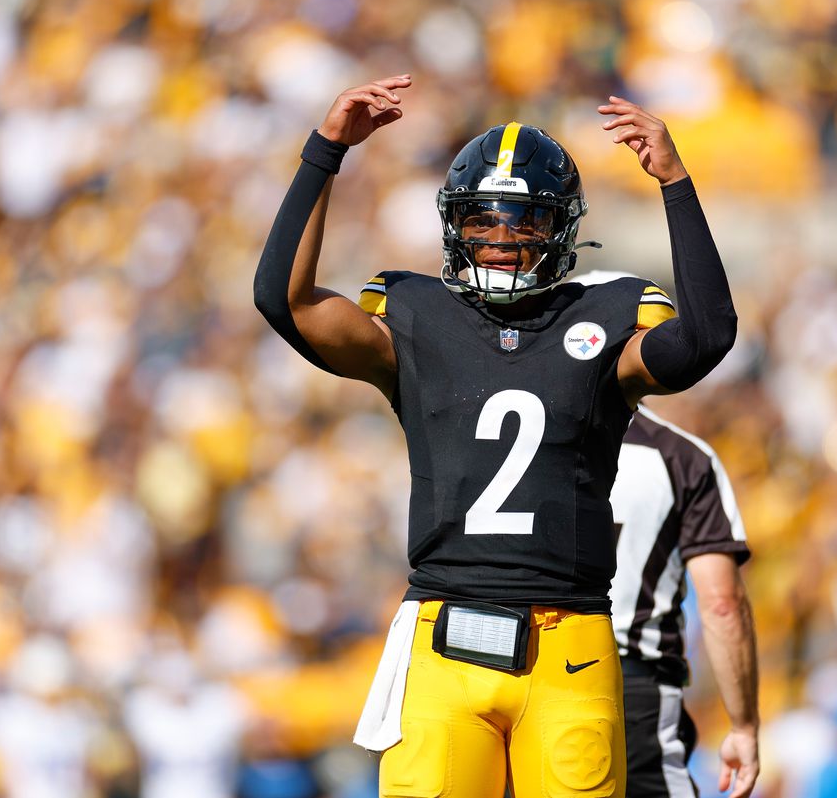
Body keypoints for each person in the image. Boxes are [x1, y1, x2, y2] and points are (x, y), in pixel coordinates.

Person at [253, 74, 737, 798]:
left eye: (525, 222)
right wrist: (326, 149)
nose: (503, 241)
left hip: (568, 640)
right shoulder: (414, 317)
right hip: (444, 633)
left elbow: (705, 337)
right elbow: (282, 299)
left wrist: (674, 180)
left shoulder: (604, 316)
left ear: (562, 228)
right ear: (455, 224)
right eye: (483, 220)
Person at [577, 372, 758, 798]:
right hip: (631, 685)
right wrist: (744, 725)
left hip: (526, 671)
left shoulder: (520, 439)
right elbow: (723, 605)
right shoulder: (680, 457)